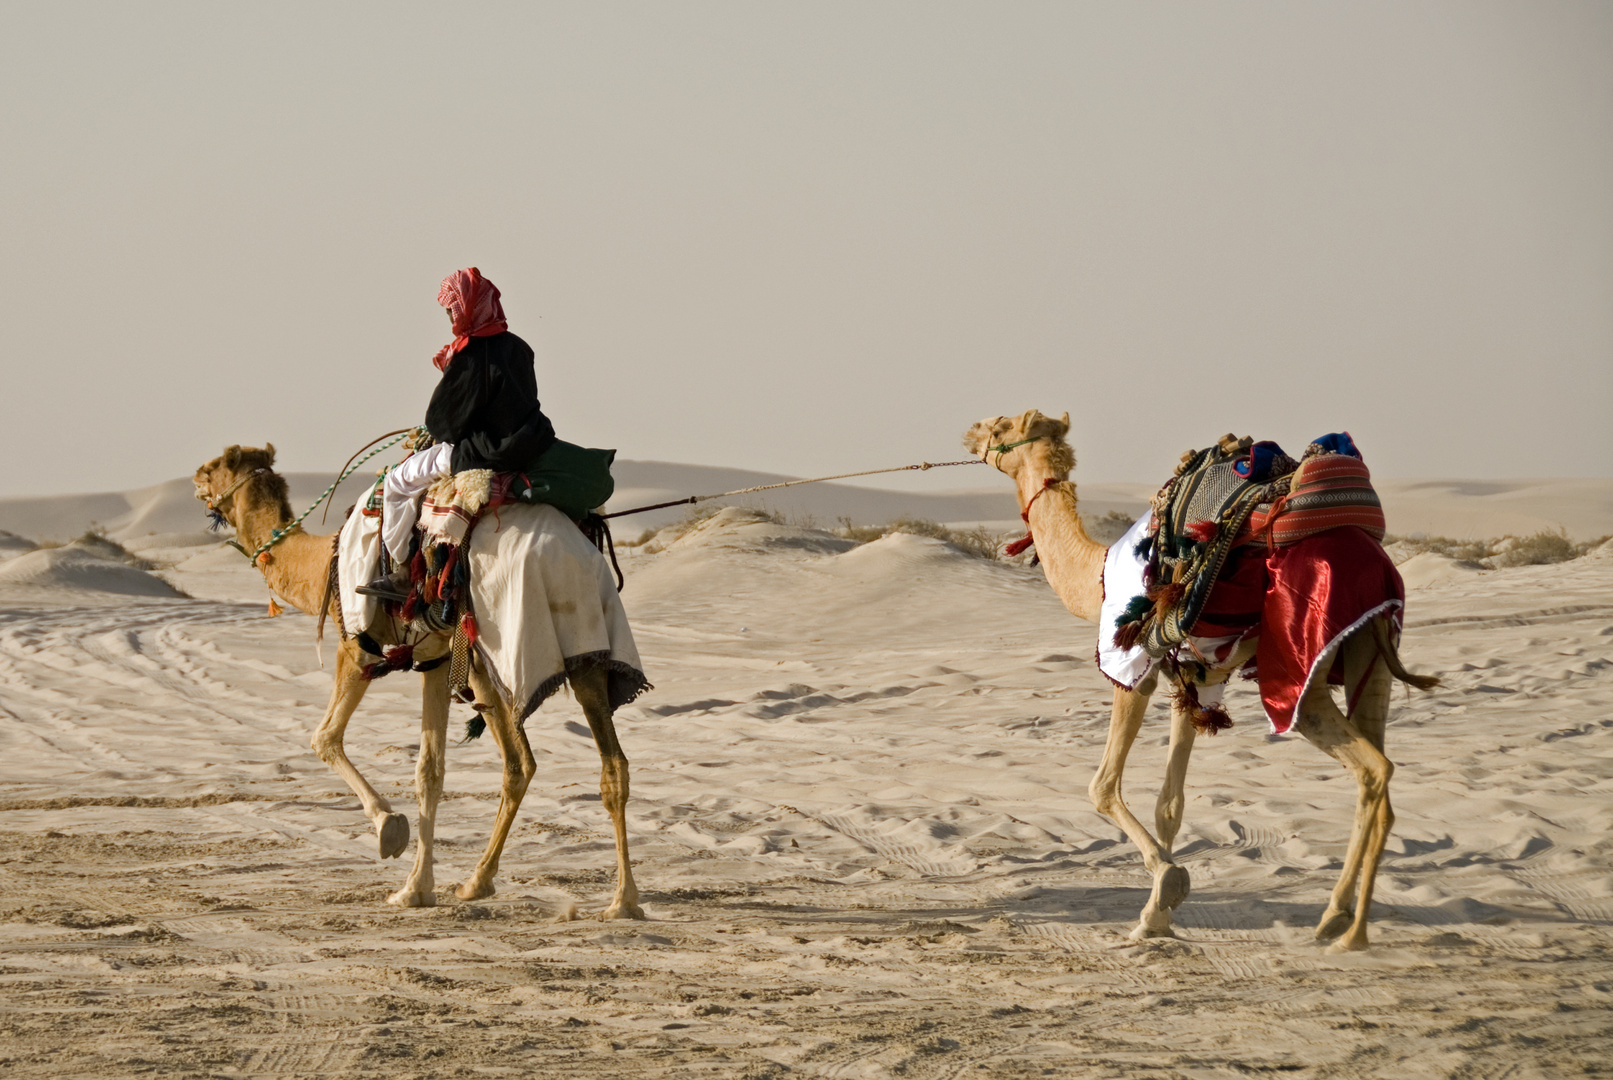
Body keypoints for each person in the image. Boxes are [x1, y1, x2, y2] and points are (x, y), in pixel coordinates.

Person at [360, 267, 557, 600]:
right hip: (530, 444)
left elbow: (442, 425)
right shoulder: (519, 348)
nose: (450, 314)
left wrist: (451, 371)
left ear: (469, 306)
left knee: (396, 482)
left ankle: (403, 571)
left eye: (453, 307)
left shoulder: (470, 355)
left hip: (482, 451)